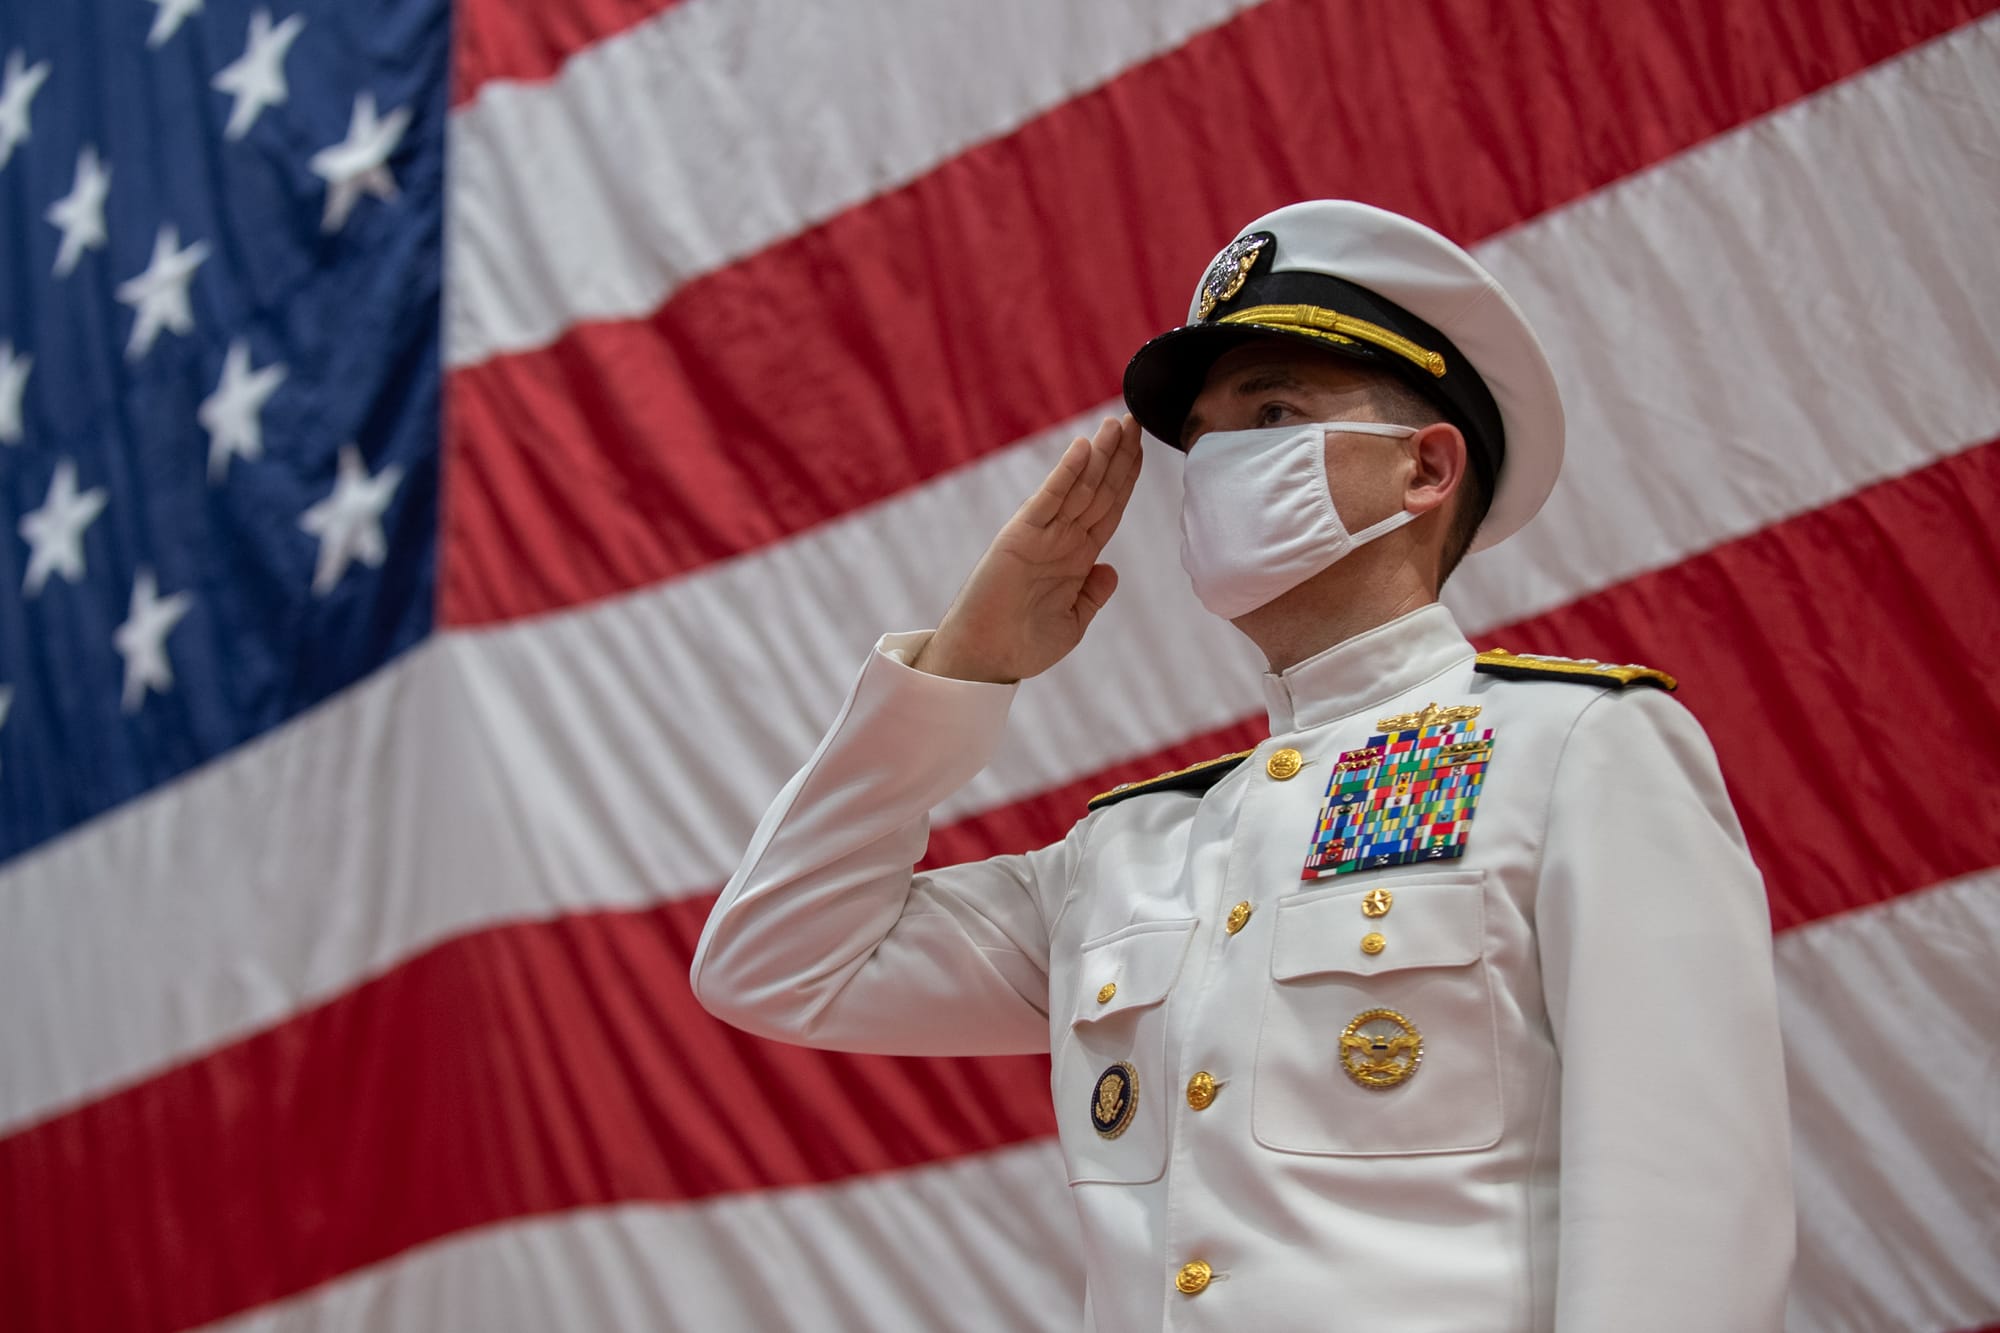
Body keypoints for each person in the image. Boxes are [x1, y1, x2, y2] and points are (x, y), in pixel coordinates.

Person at [690, 200, 1794, 1332]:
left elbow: (1687, 1220)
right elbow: (777, 963)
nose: (1216, 465)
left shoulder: (1571, 751)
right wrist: (962, 667)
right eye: (1204, 438)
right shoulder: (1130, 852)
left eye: (1270, 410)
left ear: (1424, 467)